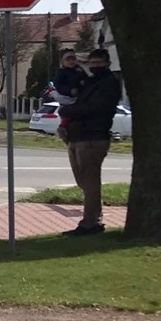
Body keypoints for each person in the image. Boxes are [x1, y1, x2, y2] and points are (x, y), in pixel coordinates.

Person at [57, 47, 123, 236]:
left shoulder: (109, 83)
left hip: (93, 137)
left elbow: (95, 108)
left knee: (90, 181)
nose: (95, 66)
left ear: (107, 64)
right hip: (77, 136)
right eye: (92, 63)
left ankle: (90, 223)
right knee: (84, 181)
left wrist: (67, 112)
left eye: (99, 63)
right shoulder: (90, 81)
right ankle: (95, 218)